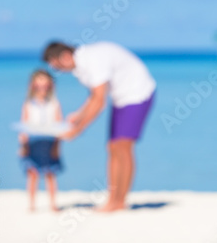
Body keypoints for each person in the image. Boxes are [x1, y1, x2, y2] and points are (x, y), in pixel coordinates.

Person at [42, 41, 156, 212]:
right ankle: (115, 200)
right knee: (112, 147)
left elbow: (99, 101)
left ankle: (119, 202)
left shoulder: (93, 60)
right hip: (121, 98)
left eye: (56, 65)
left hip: (137, 94)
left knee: (123, 147)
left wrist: (77, 130)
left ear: (65, 56)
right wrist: (79, 116)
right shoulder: (82, 66)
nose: (58, 70)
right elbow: (94, 96)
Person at [19, 69, 63, 212]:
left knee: (50, 173)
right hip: (33, 141)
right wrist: (23, 145)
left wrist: (57, 146)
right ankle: (31, 204)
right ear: (33, 85)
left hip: (49, 141)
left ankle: (53, 203)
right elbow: (23, 126)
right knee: (32, 173)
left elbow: (59, 125)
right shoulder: (28, 104)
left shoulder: (54, 103)